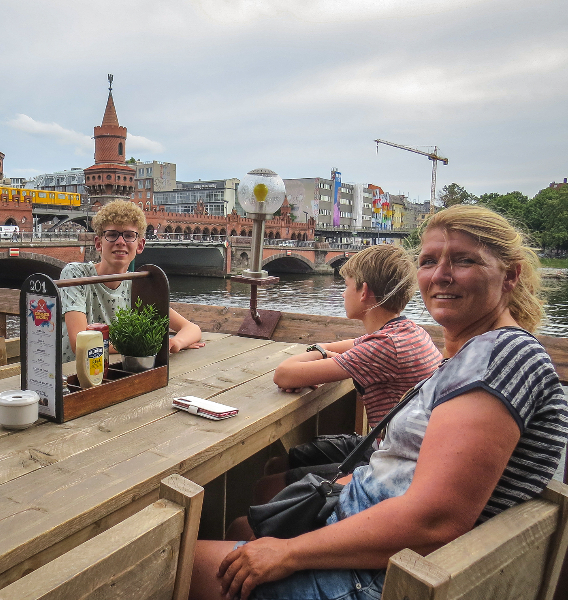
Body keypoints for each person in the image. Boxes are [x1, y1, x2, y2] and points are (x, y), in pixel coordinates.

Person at [190, 205, 568, 600]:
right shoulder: (479, 354)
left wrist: (288, 553)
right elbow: (410, 472)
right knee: (241, 529)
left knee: (174, 563)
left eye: (464, 260)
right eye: (428, 261)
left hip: (385, 576)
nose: (440, 275)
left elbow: (434, 521)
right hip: (379, 541)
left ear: (510, 275)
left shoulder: (498, 361)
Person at [264, 244, 442, 498]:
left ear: (363, 292)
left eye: (346, 285)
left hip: (391, 462)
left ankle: (266, 533)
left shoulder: (383, 346)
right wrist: (325, 355)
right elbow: (341, 348)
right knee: (280, 464)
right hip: (396, 450)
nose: (343, 293)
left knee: (267, 486)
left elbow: (283, 374)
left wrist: (320, 356)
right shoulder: (405, 331)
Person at [60, 200, 204, 363]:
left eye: (129, 235)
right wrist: (154, 344)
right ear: (99, 243)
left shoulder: (137, 285)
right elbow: (80, 342)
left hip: (118, 373)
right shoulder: (76, 275)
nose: (120, 241)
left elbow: (192, 329)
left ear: (140, 245)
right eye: (112, 235)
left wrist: (176, 343)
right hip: (73, 377)